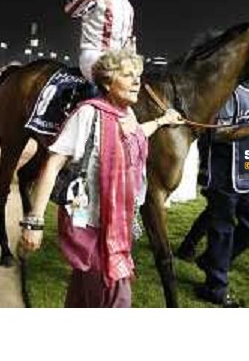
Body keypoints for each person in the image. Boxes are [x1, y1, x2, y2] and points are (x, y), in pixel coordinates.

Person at [20, 49, 183, 307]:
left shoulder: (127, 115)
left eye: (138, 75)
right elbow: (52, 163)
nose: (136, 81)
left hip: (118, 226)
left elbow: (137, 134)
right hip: (91, 229)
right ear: (107, 82)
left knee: (84, 297)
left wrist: (163, 120)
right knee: (116, 297)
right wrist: (34, 223)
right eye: (128, 75)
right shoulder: (88, 114)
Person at [192, 82, 249, 307]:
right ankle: (215, 287)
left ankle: (212, 261)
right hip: (226, 177)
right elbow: (219, 134)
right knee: (222, 232)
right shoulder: (225, 91)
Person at [64, 0, 146, 82]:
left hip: (118, 62)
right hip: (94, 58)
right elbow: (71, 10)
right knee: (120, 81)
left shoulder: (128, 5)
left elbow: (127, 41)